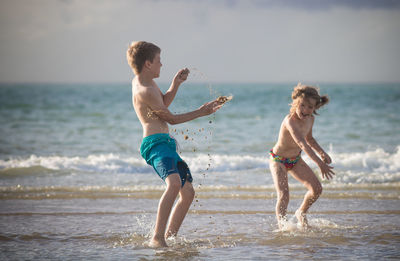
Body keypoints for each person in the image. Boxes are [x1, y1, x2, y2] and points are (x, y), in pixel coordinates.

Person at [126, 41, 223, 247]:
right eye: (159, 61)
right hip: (155, 144)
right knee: (174, 184)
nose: (162, 65)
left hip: (165, 143)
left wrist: (176, 84)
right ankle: (157, 238)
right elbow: (171, 118)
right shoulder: (145, 89)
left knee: (188, 193)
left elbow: (161, 104)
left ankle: (169, 237)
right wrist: (201, 111)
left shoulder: (144, 81)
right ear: (148, 64)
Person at [269, 83, 335, 229]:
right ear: (295, 103)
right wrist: (320, 164)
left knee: (317, 189)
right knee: (284, 195)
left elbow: (310, 140)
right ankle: (282, 227)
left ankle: (301, 212)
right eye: (302, 105)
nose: (305, 110)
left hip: (295, 160)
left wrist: (322, 153)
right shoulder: (290, 121)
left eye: (310, 107)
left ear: (315, 108)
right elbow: (302, 144)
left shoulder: (310, 119)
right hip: (278, 160)